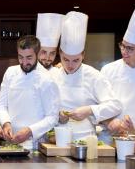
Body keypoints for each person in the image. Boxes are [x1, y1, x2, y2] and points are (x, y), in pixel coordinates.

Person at [50, 11, 122, 140]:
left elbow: (115, 105)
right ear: (60, 53)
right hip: (57, 139)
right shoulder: (52, 75)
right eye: (66, 59)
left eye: (76, 60)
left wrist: (89, 110)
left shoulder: (93, 75)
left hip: (86, 140)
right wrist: (57, 115)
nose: (70, 65)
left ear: (83, 55)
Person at [0, 35, 60, 150]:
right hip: (10, 141)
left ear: (38, 54)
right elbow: (1, 105)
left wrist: (30, 130)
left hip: (35, 144)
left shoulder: (47, 80)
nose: (24, 62)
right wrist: (6, 123)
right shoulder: (10, 73)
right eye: (20, 57)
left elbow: (52, 117)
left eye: (29, 58)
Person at [102, 5, 135, 134]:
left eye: (130, 48)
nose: (124, 51)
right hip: (111, 134)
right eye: (123, 46)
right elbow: (99, 103)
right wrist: (109, 121)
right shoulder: (108, 70)